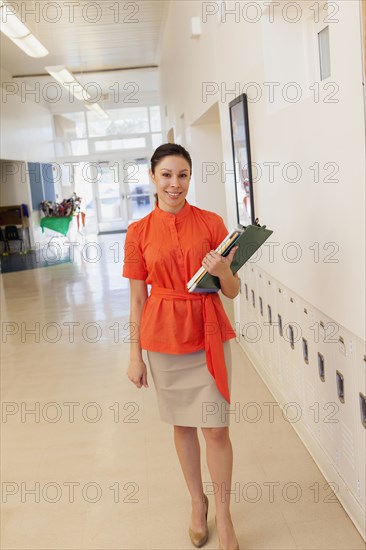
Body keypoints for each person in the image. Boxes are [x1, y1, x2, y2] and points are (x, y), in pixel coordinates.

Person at [122, 143, 240, 550]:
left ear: (191, 177)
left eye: (183, 175)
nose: (176, 184)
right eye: (168, 175)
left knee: (216, 428)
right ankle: (196, 502)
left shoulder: (211, 223)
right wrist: (134, 355)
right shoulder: (138, 232)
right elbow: (138, 298)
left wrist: (224, 270)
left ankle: (223, 516)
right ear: (153, 177)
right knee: (183, 425)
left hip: (207, 329)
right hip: (163, 336)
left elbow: (233, 291)